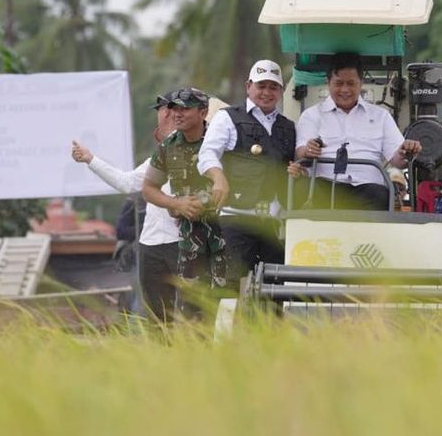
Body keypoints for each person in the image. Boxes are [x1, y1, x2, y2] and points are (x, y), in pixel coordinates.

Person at [71, 90, 181, 317]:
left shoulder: (203, 151)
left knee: (185, 309)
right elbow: (127, 183)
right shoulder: (158, 158)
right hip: (150, 244)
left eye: (169, 111)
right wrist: (91, 159)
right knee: (153, 311)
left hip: (182, 242)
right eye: (163, 112)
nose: (165, 117)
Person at [197, 59, 296, 279]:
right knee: (235, 285)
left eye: (273, 87)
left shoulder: (288, 127)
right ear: (248, 86)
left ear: (281, 90)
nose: (267, 92)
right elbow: (206, 155)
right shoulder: (227, 118)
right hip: (236, 218)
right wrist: (218, 178)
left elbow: (293, 166)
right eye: (261, 86)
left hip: (273, 223)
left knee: (276, 287)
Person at [293, 52, 422, 211]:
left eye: (351, 83)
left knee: (382, 194)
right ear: (328, 83)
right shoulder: (312, 115)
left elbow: (398, 160)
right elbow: (300, 152)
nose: (345, 90)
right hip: (325, 187)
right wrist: (308, 150)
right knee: (306, 190)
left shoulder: (381, 116)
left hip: (369, 191)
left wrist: (407, 151)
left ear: (361, 83)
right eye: (339, 83)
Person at [142, 87, 226, 322]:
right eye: (174, 108)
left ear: (203, 112)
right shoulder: (168, 146)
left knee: (226, 304)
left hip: (226, 234)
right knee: (191, 307)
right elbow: (148, 189)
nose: (177, 114)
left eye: (185, 109)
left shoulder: (222, 141)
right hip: (190, 240)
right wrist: (175, 203)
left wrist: (205, 200)